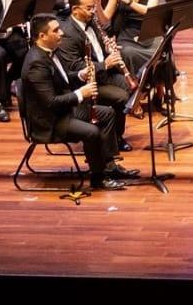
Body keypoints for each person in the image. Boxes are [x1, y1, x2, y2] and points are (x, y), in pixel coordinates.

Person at [19, 15, 128, 191]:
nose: (61, 33)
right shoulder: (36, 64)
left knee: (108, 114)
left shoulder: (50, 51)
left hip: (64, 111)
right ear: (42, 36)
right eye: (55, 30)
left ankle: (110, 167)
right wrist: (80, 93)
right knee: (92, 131)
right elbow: (50, 103)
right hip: (50, 122)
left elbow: (61, 79)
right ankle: (98, 178)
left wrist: (79, 75)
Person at [57, 0, 136, 156]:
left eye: (93, 7)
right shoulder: (67, 34)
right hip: (87, 83)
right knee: (121, 97)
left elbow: (99, 46)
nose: (94, 11)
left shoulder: (90, 21)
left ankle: (114, 135)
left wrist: (108, 49)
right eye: (89, 8)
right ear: (75, 10)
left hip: (104, 74)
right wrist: (105, 64)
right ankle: (115, 139)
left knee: (131, 85)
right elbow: (75, 67)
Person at [99, 0, 166, 78]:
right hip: (127, 35)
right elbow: (104, 19)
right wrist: (97, 4)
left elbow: (148, 10)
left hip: (148, 33)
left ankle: (152, 83)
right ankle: (136, 86)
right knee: (126, 52)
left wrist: (127, 1)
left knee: (160, 52)